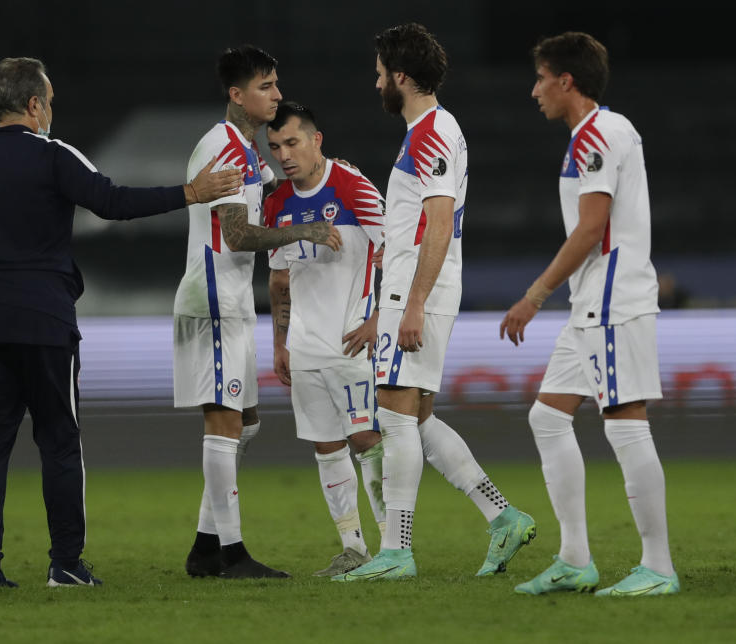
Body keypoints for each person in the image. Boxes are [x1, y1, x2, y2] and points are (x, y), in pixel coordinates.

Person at [0, 56, 243, 590]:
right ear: (34, 105)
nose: (51, 110)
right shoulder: (53, 156)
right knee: (58, 440)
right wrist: (190, 193)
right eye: (48, 101)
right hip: (43, 320)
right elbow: (112, 203)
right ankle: (66, 565)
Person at [336, 23, 535, 582]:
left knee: (393, 416)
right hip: (417, 286)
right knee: (416, 418)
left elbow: (439, 222)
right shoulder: (434, 129)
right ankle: (503, 516)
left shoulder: (429, 132)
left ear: (400, 76)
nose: (375, 82)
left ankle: (396, 552)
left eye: (379, 73)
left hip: (416, 287)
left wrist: (414, 301)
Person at [501, 32, 679, 597]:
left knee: (625, 422)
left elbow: (591, 228)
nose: (535, 91)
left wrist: (534, 294)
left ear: (566, 80)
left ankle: (659, 567)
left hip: (610, 302)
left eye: (540, 78)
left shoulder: (594, 135)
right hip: (592, 305)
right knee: (547, 417)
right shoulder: (607, 128)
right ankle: (575, 558)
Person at [174, 47, 342, 579]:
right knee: (224, 425)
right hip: (212, 301)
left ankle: (205, 547)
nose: (275, 94)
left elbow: (275, 198)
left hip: (234, 300)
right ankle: (232, 553)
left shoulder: (249, 152)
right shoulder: (222, 146)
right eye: (266, 86)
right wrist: (306, 230)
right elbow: (237, 232)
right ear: (236, 95)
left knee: (244, 425)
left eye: (275, 84)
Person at [264, 102, 386, 576]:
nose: (284, 155)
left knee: (366, 439)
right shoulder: (276, 205)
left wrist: (379, 317)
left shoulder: (352, 185)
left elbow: (395, 250)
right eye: (274, 147)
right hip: (306, 347)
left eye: (292, 143)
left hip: (352, 340)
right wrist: (280, 343)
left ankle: (395, 546)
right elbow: (278, 280)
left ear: (316, 140)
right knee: (326, 446)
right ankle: (353, 548)